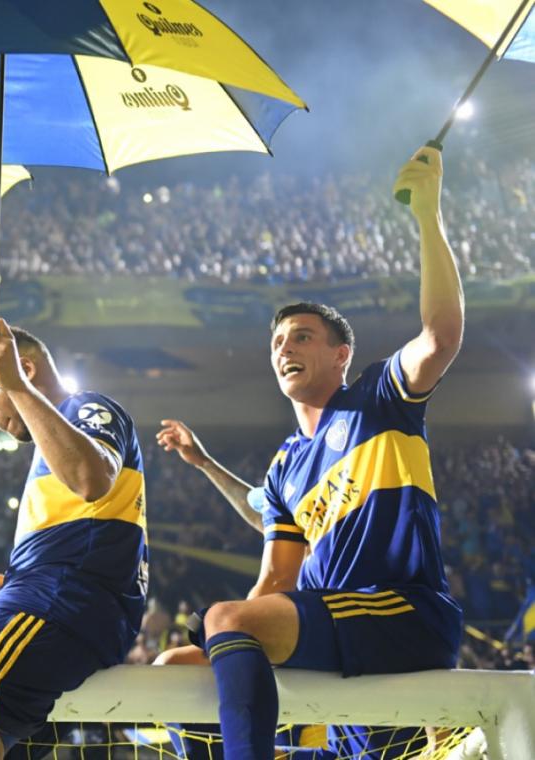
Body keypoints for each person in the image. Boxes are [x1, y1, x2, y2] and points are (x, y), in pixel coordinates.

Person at [165, 145, 465, 760]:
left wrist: (428, 216)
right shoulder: (284, 469)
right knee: (174, 666)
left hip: (401, 614)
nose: (284, 348)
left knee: (226, 623)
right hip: (335, 635)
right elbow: (277, 574)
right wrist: (229, 637)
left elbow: (440, 336)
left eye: (302, 336)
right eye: (277, 340)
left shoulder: (380, 399)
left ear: (340, 355)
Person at [0, 320, 148, 760]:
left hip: (68, 608)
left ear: (25, 369)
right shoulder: (50, 455)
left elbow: (93, 480)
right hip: (62, 608)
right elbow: (40, 585)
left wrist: (13, 384)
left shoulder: (86, 408)